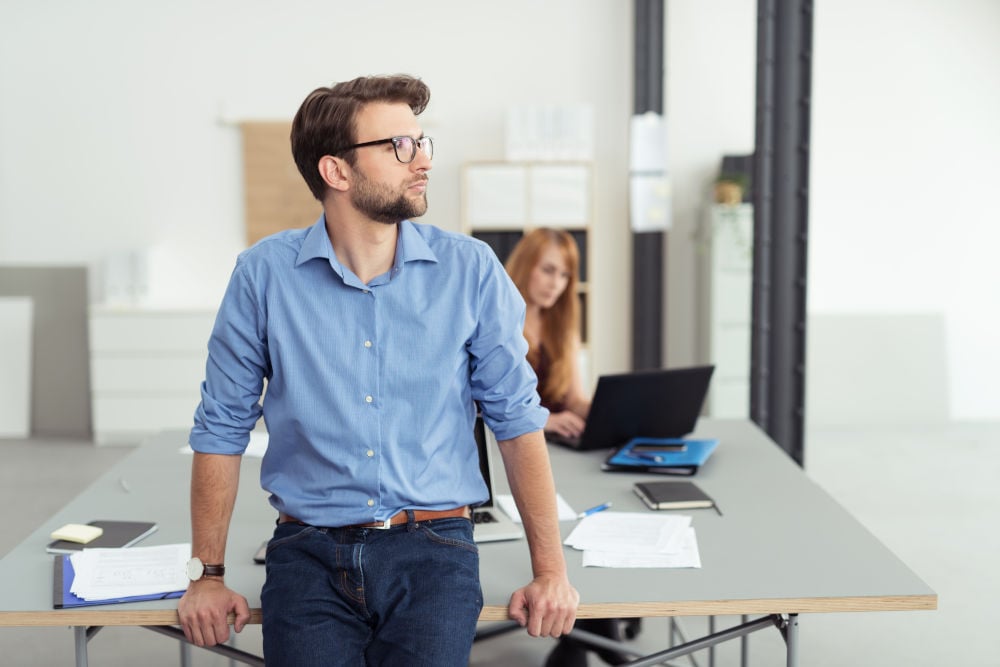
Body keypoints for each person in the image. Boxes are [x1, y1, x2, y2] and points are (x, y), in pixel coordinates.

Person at [177, 74, 578, 667]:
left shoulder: (470, 271)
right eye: (398, 147)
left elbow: (516, 421)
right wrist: (206, 575)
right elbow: (221, 428)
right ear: (335, 171)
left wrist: (550, 572)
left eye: (421, 143)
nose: (421, 162)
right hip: (306, 552)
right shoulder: (262, 276)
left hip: (435, 548)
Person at [506, 228, 633, 667]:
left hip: (563, 455)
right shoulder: (501, 315)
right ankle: (604, 646)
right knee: (566, 534)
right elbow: (486, 408)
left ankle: (581, 645)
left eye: (565, 275)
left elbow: (572, 395)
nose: (556, 283)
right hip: (521, 455)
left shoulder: (561, 322)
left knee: (591, 530)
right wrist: (546, 418)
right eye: (548, 270)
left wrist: (608, 411)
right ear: (526, 265)